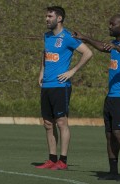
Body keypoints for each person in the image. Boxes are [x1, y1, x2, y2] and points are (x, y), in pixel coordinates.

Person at [73, 14, 120, 181]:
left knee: (119, 132)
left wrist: (117, 48)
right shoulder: (115, 44)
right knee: (110, 134)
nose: (109, 26)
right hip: (112, 96)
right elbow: (103, 47)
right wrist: (85, 38)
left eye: (112, 24)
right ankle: (113, 171)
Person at [36, 6, 93, 170]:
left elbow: (88, 53)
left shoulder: (67, 36)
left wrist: (72, 71)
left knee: (61, 122)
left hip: (61, 86)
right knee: (48, 123)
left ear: (59, 18)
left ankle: (63, 161)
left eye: (49, 16)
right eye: (46, 16)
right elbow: (45, 54)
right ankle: (52, 159)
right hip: (46, 85)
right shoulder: (46, 36)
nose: (46, 19)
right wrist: (41, 72)